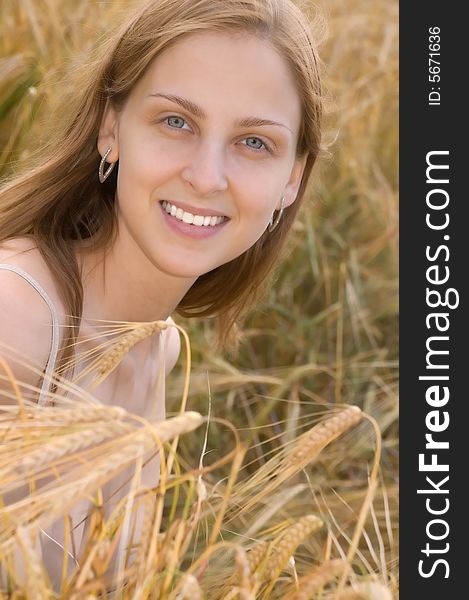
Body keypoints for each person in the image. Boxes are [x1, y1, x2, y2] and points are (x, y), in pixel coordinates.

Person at [0, 0, 324, 592]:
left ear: (292, 180)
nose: (206, 176)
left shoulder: (159, 346)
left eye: (254, 142)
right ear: (110, 128)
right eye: (176, 121)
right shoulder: (14, 320)